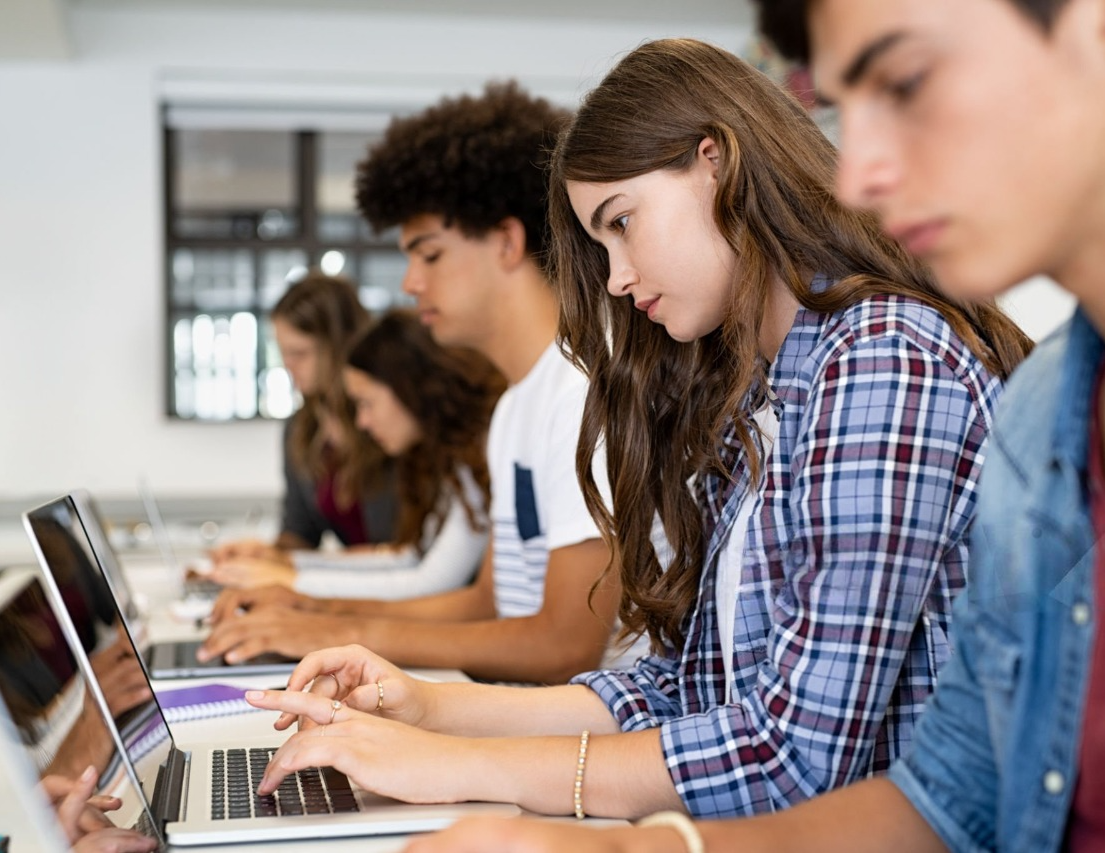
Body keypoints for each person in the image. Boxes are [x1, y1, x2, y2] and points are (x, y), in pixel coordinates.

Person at [402, 0, 1105, 849]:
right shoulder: (1052, 403)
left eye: (903, 81)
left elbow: (800, 753)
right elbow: (949, 793)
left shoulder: (890, 350)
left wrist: (480, 767)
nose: (858, 172)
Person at [236, 37, 1032, 823]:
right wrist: (427, 708)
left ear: (715, 164)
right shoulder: (758, 387)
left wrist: (450, 764)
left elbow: (792, 756)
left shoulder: (880, 360)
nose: (615, 278)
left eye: (622, 222)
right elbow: (684, 688)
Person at [199, 81, 632, 684]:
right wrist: (316, 611)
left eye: (428, 255)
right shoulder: (516, 408)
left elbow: (564, 645)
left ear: (507, 243)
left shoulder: (583, 393)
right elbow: (489, 604)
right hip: (523, 715)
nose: (409, 283)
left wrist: (335, 633)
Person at [205, 309, 505, 601]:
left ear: (407, 389)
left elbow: (432, 581)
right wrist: (288, 565)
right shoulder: (452, 457)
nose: (362, 421)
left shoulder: (480, 453)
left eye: (366, 403)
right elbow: (408, 558)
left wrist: (292, 580)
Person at [208, 272, 394, 569]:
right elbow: (301, 533)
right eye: (283, 353)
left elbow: (406, 555)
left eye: (300, 353)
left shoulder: (390, 423)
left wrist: (313, 564)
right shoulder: (301, 428)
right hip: (354, 587)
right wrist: (263, 554)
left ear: (340, 347)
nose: (287, 366)